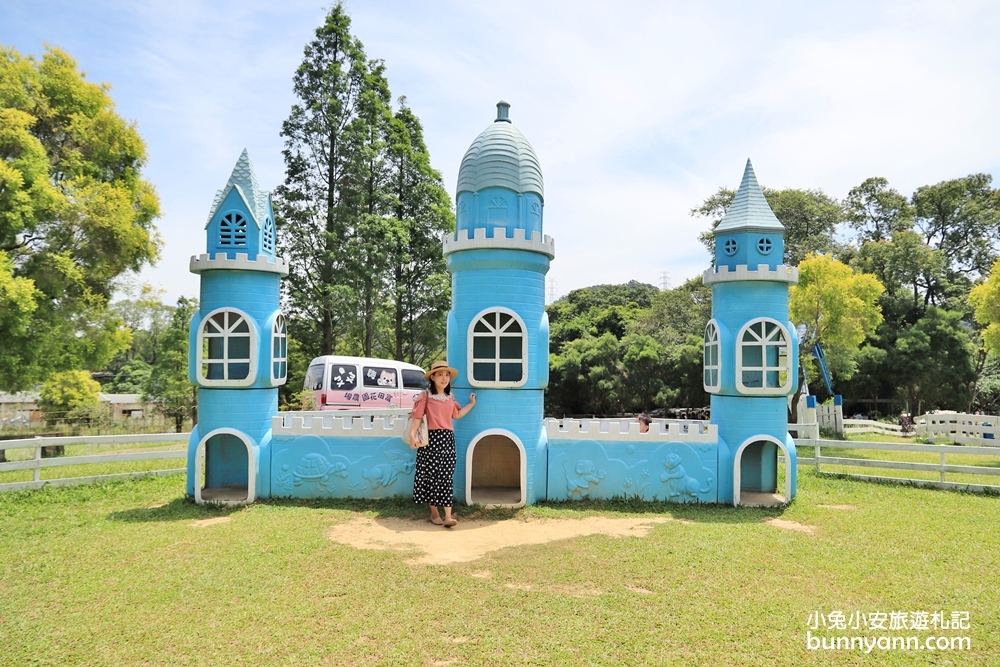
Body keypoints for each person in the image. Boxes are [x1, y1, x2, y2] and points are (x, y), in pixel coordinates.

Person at [408, 360, 476, 528]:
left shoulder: (450, 398)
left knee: (446, 477)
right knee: (431, 477)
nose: (444, 378)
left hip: (447, 440)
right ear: (432, 377)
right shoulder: (425, 396)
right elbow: (417, 416)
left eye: (447, 375)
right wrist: (412, 435)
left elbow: (457, 415)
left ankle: (448, 516)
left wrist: (471, 404)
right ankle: (434, 512)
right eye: (440, 375)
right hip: (430, 441)